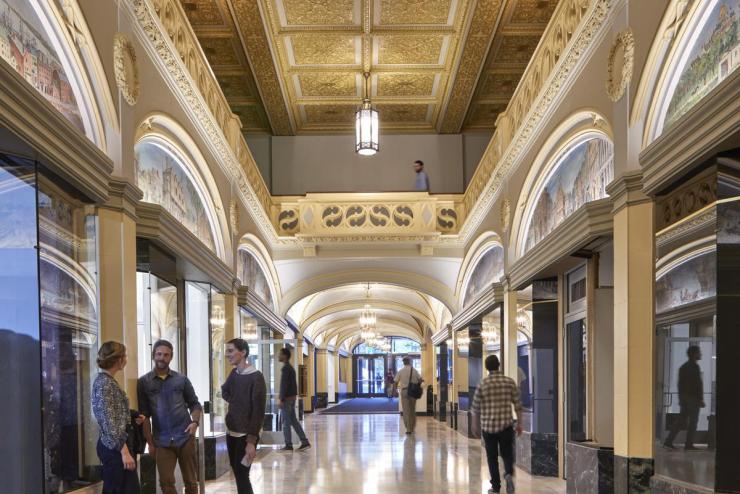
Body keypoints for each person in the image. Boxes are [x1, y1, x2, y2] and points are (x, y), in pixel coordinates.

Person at [137, 340, 202, 494]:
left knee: (191, 481)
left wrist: (195, 422)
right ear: (153, 356)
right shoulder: (143, 382)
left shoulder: (182, 379)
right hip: (162, 440)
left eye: (166, 355)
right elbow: (144, 415)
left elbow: (195, 404)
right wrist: (150, 443)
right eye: (159, 354)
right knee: (166, 483)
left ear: (171, 357)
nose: (162, 357)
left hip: (185, 436)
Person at [92, 341, 142, 494]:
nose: (126, 359)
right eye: (125, 356)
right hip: (115, 448)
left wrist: (133, 415)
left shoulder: (108, 382)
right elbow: (108, 422)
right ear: (118, 359)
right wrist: (124, 452)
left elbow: (115, 412)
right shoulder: (104, 384)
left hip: (117, 446)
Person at [472, 355, 523, 494]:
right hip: (506, 426)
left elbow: (475, 408)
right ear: (499, 365)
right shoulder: (509, 382)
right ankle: (508, 473)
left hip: (488, 427)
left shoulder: (482, 384)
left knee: (492, 457)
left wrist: (475, 425)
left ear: (486, 367)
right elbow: (518, 405)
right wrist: (520, 423)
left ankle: (495, 487)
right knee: (507, 453)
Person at [222, 338, 267, 494]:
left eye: (230, 350)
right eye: (226, 351)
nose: (227, 354)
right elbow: (225, 390)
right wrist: (235, 402)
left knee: (242, 474)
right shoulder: (234, 373)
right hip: (231, 431)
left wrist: (251, 441)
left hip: (246, 435)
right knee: (237, 472)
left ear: (243, 352)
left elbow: (258, 412)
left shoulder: (256, 377)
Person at [664, 345, 705, 451]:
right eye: (699, 352)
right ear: (694, 354)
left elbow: (680, 385)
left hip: (685, 399)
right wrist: (700, 399)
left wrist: (681, 399)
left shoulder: (683, 367)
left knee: (680, 421)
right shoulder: (695, 367)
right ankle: (688, 444)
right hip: (693, 399)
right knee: (693, 422)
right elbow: (698, 385)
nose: (701, 354)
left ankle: (668, 441)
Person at [278, 347, 311, 451]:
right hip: (292, 398)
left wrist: (281, 399)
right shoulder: (290, 368)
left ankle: (288, 445)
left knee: (286, 423)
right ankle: (304, 442)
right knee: (294, 421)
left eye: (280, 354)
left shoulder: (286, 368)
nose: (278, 356)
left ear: (285, 356)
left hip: (287, 399)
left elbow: (284, 385)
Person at [393, 357, 423, 434]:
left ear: (403, 362)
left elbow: (395, 382)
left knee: (406, 410)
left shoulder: (401, 371)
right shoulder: (414, 371)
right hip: (413, 392)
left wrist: (395, 391)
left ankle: (408, 429)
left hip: (404, 391)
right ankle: (412, 427)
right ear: (410, 362)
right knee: (412, 410)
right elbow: (420, 380)